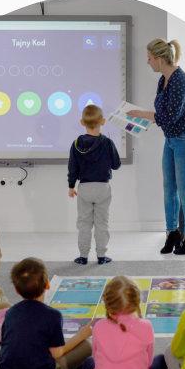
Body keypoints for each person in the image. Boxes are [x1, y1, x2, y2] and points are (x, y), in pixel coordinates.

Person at [127, 39, 185, 255]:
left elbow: (170, 116)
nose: (148, 62)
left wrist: (140, 115)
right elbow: (163, 114)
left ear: (160, 59)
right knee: (169, 188)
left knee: (184, 189)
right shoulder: (163, 80)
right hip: (172, 139)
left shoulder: (181, 81)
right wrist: (144, 118)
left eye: (150, 58)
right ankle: (172, 233)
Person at [0, 258, 92, 369]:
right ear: (47, 284)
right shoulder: (53, 315)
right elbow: (57, 353)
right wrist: (81, 335)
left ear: (17, 290)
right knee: (87, 346)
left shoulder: (10, 312)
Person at [83, 276, 167, 369]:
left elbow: (96, 357)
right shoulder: (146, 326)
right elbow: (148, 362)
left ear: (108, 305)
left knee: (88, 362)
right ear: (137, 302)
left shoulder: (98, 326)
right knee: (162, 359)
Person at [68, 105, 121, 265]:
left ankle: (83, 256)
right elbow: (116, 165)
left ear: (82, 122)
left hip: (84, 188)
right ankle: (101, 256)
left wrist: (71, 186)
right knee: (101, 223)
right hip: (102, 188)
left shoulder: (76, 144)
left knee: (84, 223)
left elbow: (72, 168)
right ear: (103, 121)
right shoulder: (108, 143)